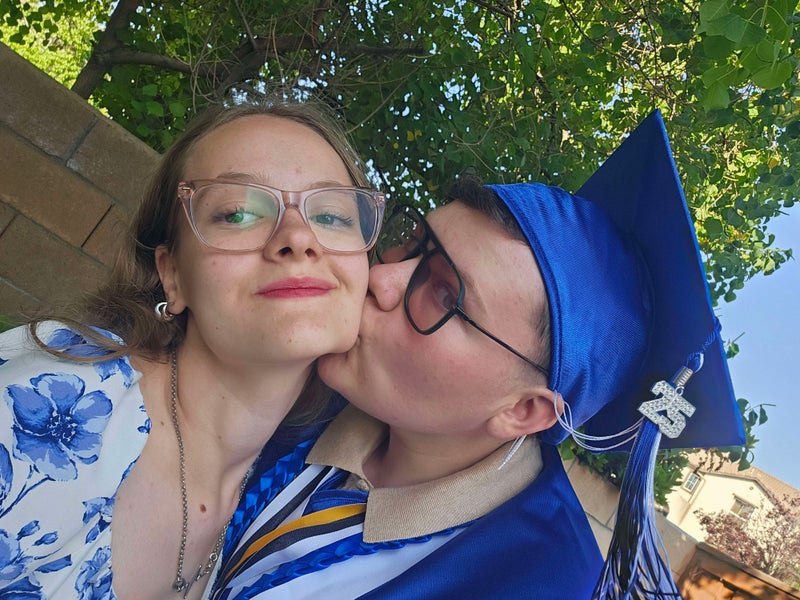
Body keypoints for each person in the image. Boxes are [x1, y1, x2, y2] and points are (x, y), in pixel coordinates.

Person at [213, 111, 746, 599]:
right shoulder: (295, 387)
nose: (381, 278)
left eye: (445, 294)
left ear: (525, 410)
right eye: (413, 245)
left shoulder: (541, 586)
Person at [0, 99, 385, 599]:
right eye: (238, 213)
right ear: (173, 275)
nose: (297, 237)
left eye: (331, 215)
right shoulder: (41, 399)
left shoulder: (300, 500)